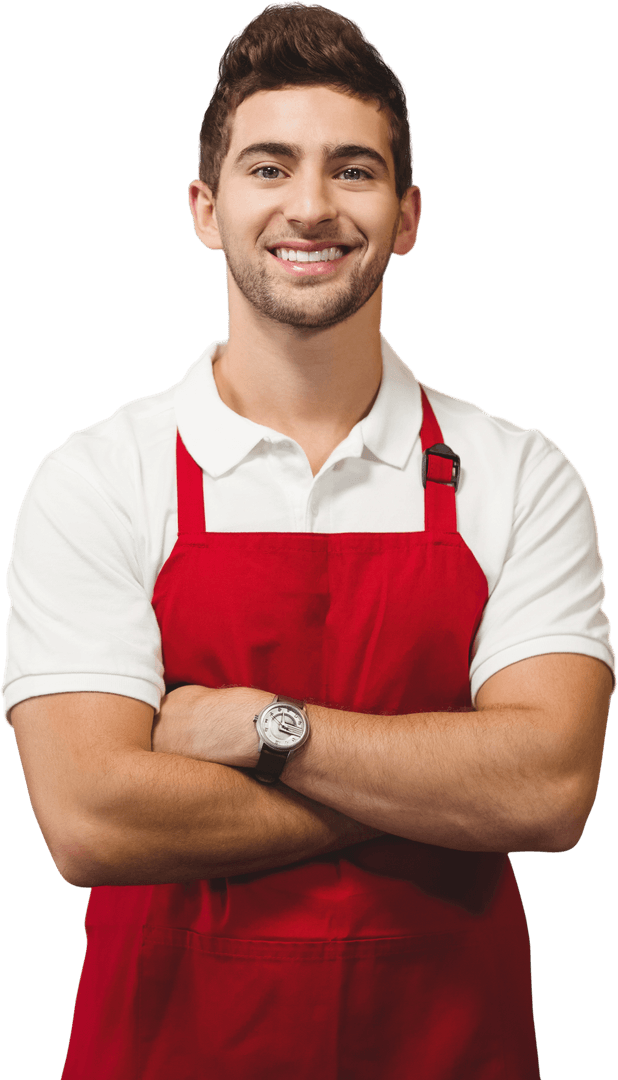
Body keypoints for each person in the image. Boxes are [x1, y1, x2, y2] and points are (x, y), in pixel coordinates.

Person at [4, 3, 614, 1077]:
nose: (313, 206)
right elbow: (92, 821)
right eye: (271, 167)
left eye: (355, 170)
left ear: (409, 214)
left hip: (451, 1053)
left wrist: (262, 728)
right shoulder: (99, 477)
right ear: (207, 208)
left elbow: (550, 791)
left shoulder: (520, 476)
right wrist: (435, 792)